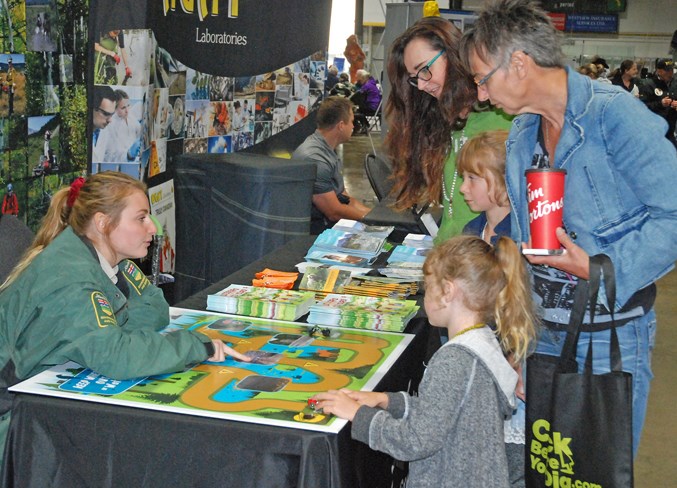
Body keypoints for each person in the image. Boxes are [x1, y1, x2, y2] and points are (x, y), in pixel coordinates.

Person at [462, 0, 677, 456]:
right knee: (552, 471)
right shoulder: (523, 135)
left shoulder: (614, 117)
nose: (481, 95)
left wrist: (601, 266)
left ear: (518, 63)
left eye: (483, 78)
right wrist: (519, 345)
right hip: (544, 338)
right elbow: (521, 254)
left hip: (610, 337)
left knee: (597, 472)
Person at [0, 172, 251, 463]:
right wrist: (196, 346)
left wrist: (118, 336)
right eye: (141, 218)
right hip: (16, 423)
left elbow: (155, 308)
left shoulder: (111, 261)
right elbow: (117, 356)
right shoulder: (72, 279)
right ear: (103, 222)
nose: (153, 228)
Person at [313, 235, 537, 488]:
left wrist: (357, 414)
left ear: (447, 292)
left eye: (428, 286)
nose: (425, 295)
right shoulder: (481, 342)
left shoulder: (455, 358)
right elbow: (443, 413)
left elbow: (415, 441)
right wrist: (388, 401)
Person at [385, 16, 513, 244]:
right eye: (415, 79)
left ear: (452, 55)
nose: (422, 85)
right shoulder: (448, 122)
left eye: (425, 70)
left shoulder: (505, 116)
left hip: (489, 263)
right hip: (453, 259)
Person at [292, 96, 371, 234]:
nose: (353, 126)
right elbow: (333, 212)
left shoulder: (326, 149)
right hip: (314, 230)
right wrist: (372, 219)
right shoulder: (316, 158)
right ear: (341, 125)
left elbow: (345, 198)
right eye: (351, 122)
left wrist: (374, 216)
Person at [458, 130, 511, 245]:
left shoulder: (523, 239)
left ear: (504, 180)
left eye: (472, 177)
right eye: (463, 178)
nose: (463, 188)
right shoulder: (471, 230)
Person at [639, 58, 677, 147]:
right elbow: (641, 106)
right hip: (653, 130)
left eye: (672, 70)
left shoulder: (675, 84)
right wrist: (660, 104)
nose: (670, 73)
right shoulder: (648, 84)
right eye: (667, 70)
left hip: (670, 130)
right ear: (659, 71)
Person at [100, 89, 142, 162]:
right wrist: (129, 154)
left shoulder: (131, 118)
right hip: (122, 164)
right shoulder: (110, 125)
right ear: (115, 108)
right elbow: (111, 156)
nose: (127, 111)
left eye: (128, 105)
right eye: (123, 108)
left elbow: (140, 134)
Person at [92, 86, 117, 163]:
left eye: (112, 115)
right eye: (106, 114)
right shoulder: (76, 131)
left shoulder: (106, 132)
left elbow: (111, 158)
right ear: (93, 108)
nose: (110, 120)